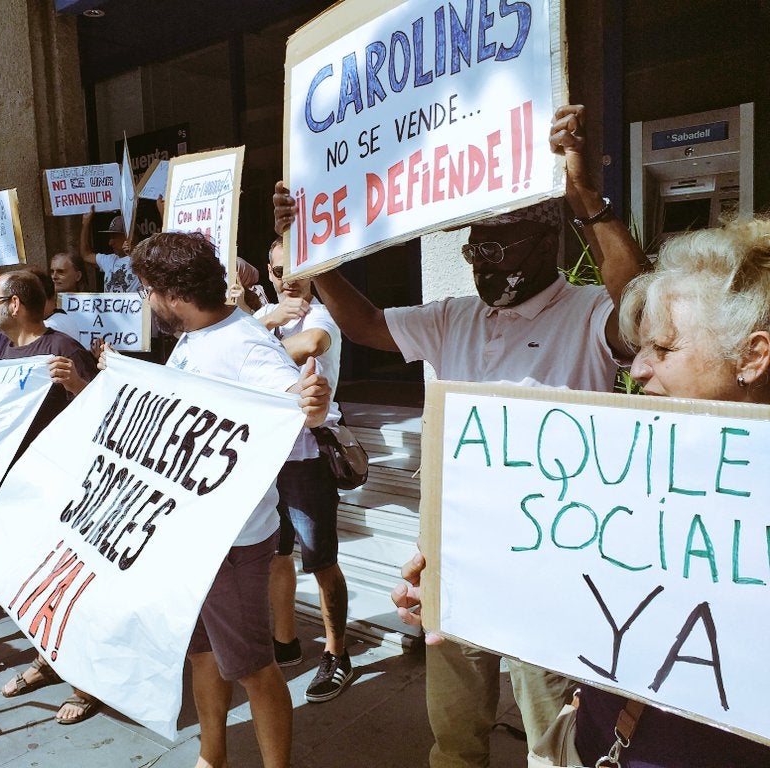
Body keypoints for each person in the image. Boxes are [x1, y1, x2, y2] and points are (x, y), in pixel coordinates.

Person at [278, 105, 648, 767]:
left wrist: (582, 195)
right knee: (453, 738)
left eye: (497, 251)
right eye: (474, 250)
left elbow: (641, 303)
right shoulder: (455, 317)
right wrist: (315, 253)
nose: (483, 263)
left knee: (557, 741)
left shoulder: (590, 313)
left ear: (547, 247)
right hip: (459, 556)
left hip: (554, 560)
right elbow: (364, 324)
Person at [557, 215, 770, 767]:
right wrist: (458, 582)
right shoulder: (620, 465)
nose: (638, 371)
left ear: (751, 356)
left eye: (663, 349)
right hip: (602, 740)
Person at [117, 230, 330, 768]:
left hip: (230, 543)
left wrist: (309, 401)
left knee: (255, 667)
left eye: (146, 289)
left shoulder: (243, 343)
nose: (146, 301)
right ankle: (212, 756)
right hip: (189, 536)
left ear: (169, 291)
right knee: (202, 654)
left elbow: (295, 402)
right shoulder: (198, 335)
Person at [0, 268, 99, 723]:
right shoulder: (6, 352)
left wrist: (78, 385)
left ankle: (85, 682)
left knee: (64, 586)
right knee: (25, 585)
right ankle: (47, 659)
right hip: (19, 491)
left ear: (14, 304)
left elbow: (110, 414)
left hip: (63, 492)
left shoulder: (63, 349)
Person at [253, 236, 351, 702]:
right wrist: (265, 323)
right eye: (276, 271)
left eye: (295, 268)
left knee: (321, 559)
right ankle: (286, 642)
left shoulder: (319, 316)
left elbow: (314, 342)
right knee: (277, 554)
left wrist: (260, 338)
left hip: (308, 458)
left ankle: (337, 654)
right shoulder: (260, 320)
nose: (286, 279)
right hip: (266, 457)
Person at [80, 209, 142, 293]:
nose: (110, 242)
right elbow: (86, 255)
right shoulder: (109, 260)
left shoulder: (144, 260)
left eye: (114, 237)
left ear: (129, 236)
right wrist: (85, 223)